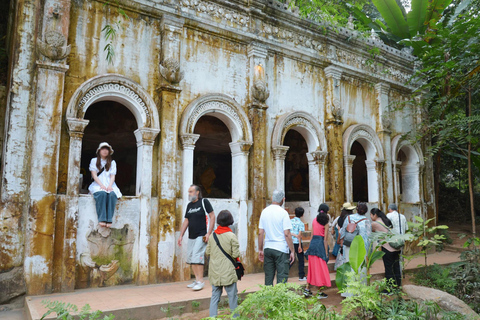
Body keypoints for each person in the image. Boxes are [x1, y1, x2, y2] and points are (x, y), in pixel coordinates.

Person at [178, 185, 215, 291]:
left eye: (191, 191)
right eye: (188, 192)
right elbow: (186, 220)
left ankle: (200, 281)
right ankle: (196, 279)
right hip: (191, 236)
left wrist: (208, 233)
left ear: (197, 192)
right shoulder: (189, 205)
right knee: (191, 258)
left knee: (197, 256)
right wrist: (181, 235)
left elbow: (212, 216)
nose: (189, 193)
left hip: (202, 235)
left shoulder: (204, 202)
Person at [206, 210, 240, 318]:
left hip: (215, 271)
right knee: (232, 297)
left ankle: (212, 317)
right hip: (228, 272)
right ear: (230, 221)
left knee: (215, 297)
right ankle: (235, 317)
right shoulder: (231, 236)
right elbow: (235, 254)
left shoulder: (212, 236)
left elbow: (207, 252)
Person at [258, 190, 295, 285]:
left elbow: (260, 233)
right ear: (283, 199)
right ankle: (279, 299)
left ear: (271, 198)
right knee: (282, 278)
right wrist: (292, 250)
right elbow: (287, 234)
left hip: (268, 247)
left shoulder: (264, 212)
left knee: (268, 277)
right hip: (281, 248)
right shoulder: (283, 213)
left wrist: (260, 249)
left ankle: (268, 298)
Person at [339, 202, 371, 297]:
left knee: (349, 268)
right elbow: (369, 237)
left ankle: (349, 293)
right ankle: (361, 292)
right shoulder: (367, 220)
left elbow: (343, 233)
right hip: (361, 247)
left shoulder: (349, 218)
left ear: (356, 209)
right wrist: (368, 251)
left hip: (349, 245)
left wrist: (342, 246)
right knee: (361, 269)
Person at [89, 142, 122, 228]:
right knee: (102, 194)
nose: (105, 151)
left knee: (112, 195)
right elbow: (94, 175)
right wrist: (101, 185)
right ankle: (102, 219)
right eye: (103, 149)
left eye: (106, 149)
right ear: (99, 151)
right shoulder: (94, 161)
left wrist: (110, 186)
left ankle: (109, 219)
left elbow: (112, 176)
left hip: (110, 184)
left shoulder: (112, 162)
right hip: (98, 184)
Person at [304, 203, 332, 299]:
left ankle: (307, 289)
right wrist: (326, 252)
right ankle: (320, 292)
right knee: (320, 268)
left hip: (313, 245)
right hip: (320, 245)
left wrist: (309, 248)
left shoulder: (314, 220)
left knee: (311, 268)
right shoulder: (326, 223)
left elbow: (311, 236)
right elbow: (325, 239)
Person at [370, 208, 402, 291]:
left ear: (375, 215)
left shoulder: (375, 223)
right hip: (396, 247)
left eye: (371, 215)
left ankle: (389, 288)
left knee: (388, 268)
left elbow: (370, 232)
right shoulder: (386, 220)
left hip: (388, 249)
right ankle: (398, 285)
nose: (370, 217)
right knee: (396, 266)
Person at [333, 203, 355, 270]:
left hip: (343, 239)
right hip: (351, 239)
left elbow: (341, 231)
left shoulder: (340, 218)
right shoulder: (352, 218)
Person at [290, 207, 306, 281]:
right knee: (301, 259)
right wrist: (300, 246)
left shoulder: (290, 221)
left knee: (290, 258)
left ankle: (284, 274)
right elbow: (299, 235)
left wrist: (293, 235)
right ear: (302, 215)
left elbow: (287, 232)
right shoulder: (301, 223)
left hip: (290, 242)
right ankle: (301, 276)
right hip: (297, 243)